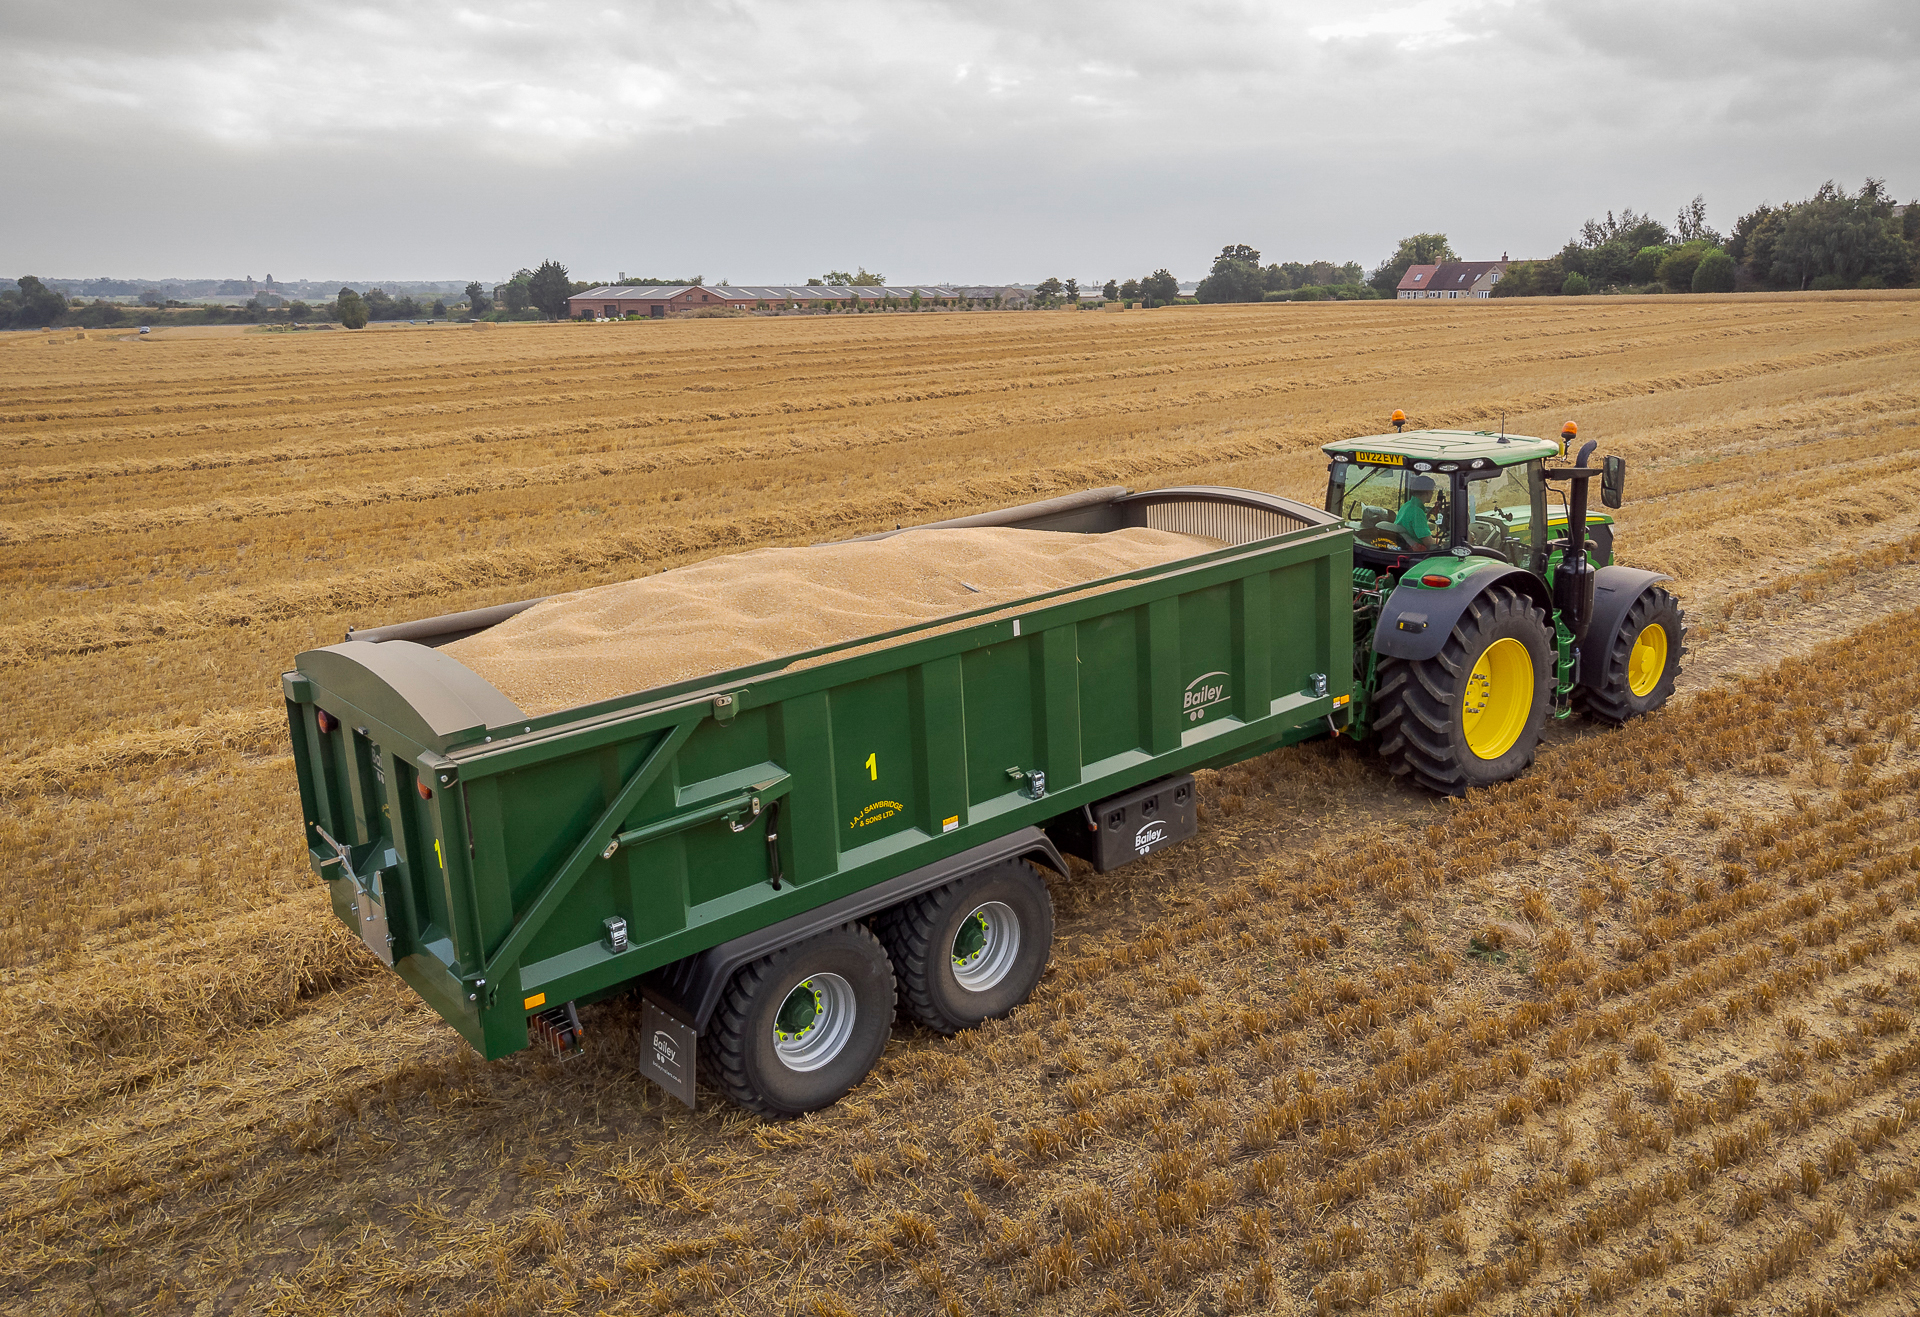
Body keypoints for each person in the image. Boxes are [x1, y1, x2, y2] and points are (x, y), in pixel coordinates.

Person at [1394, 474, 1442, 548]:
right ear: (1428, 492)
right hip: (1416, 551)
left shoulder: (1407, 505)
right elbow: (1429, 544)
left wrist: (1428, 514)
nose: (1432, 494)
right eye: (1432, 491)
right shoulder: (1417, 513)